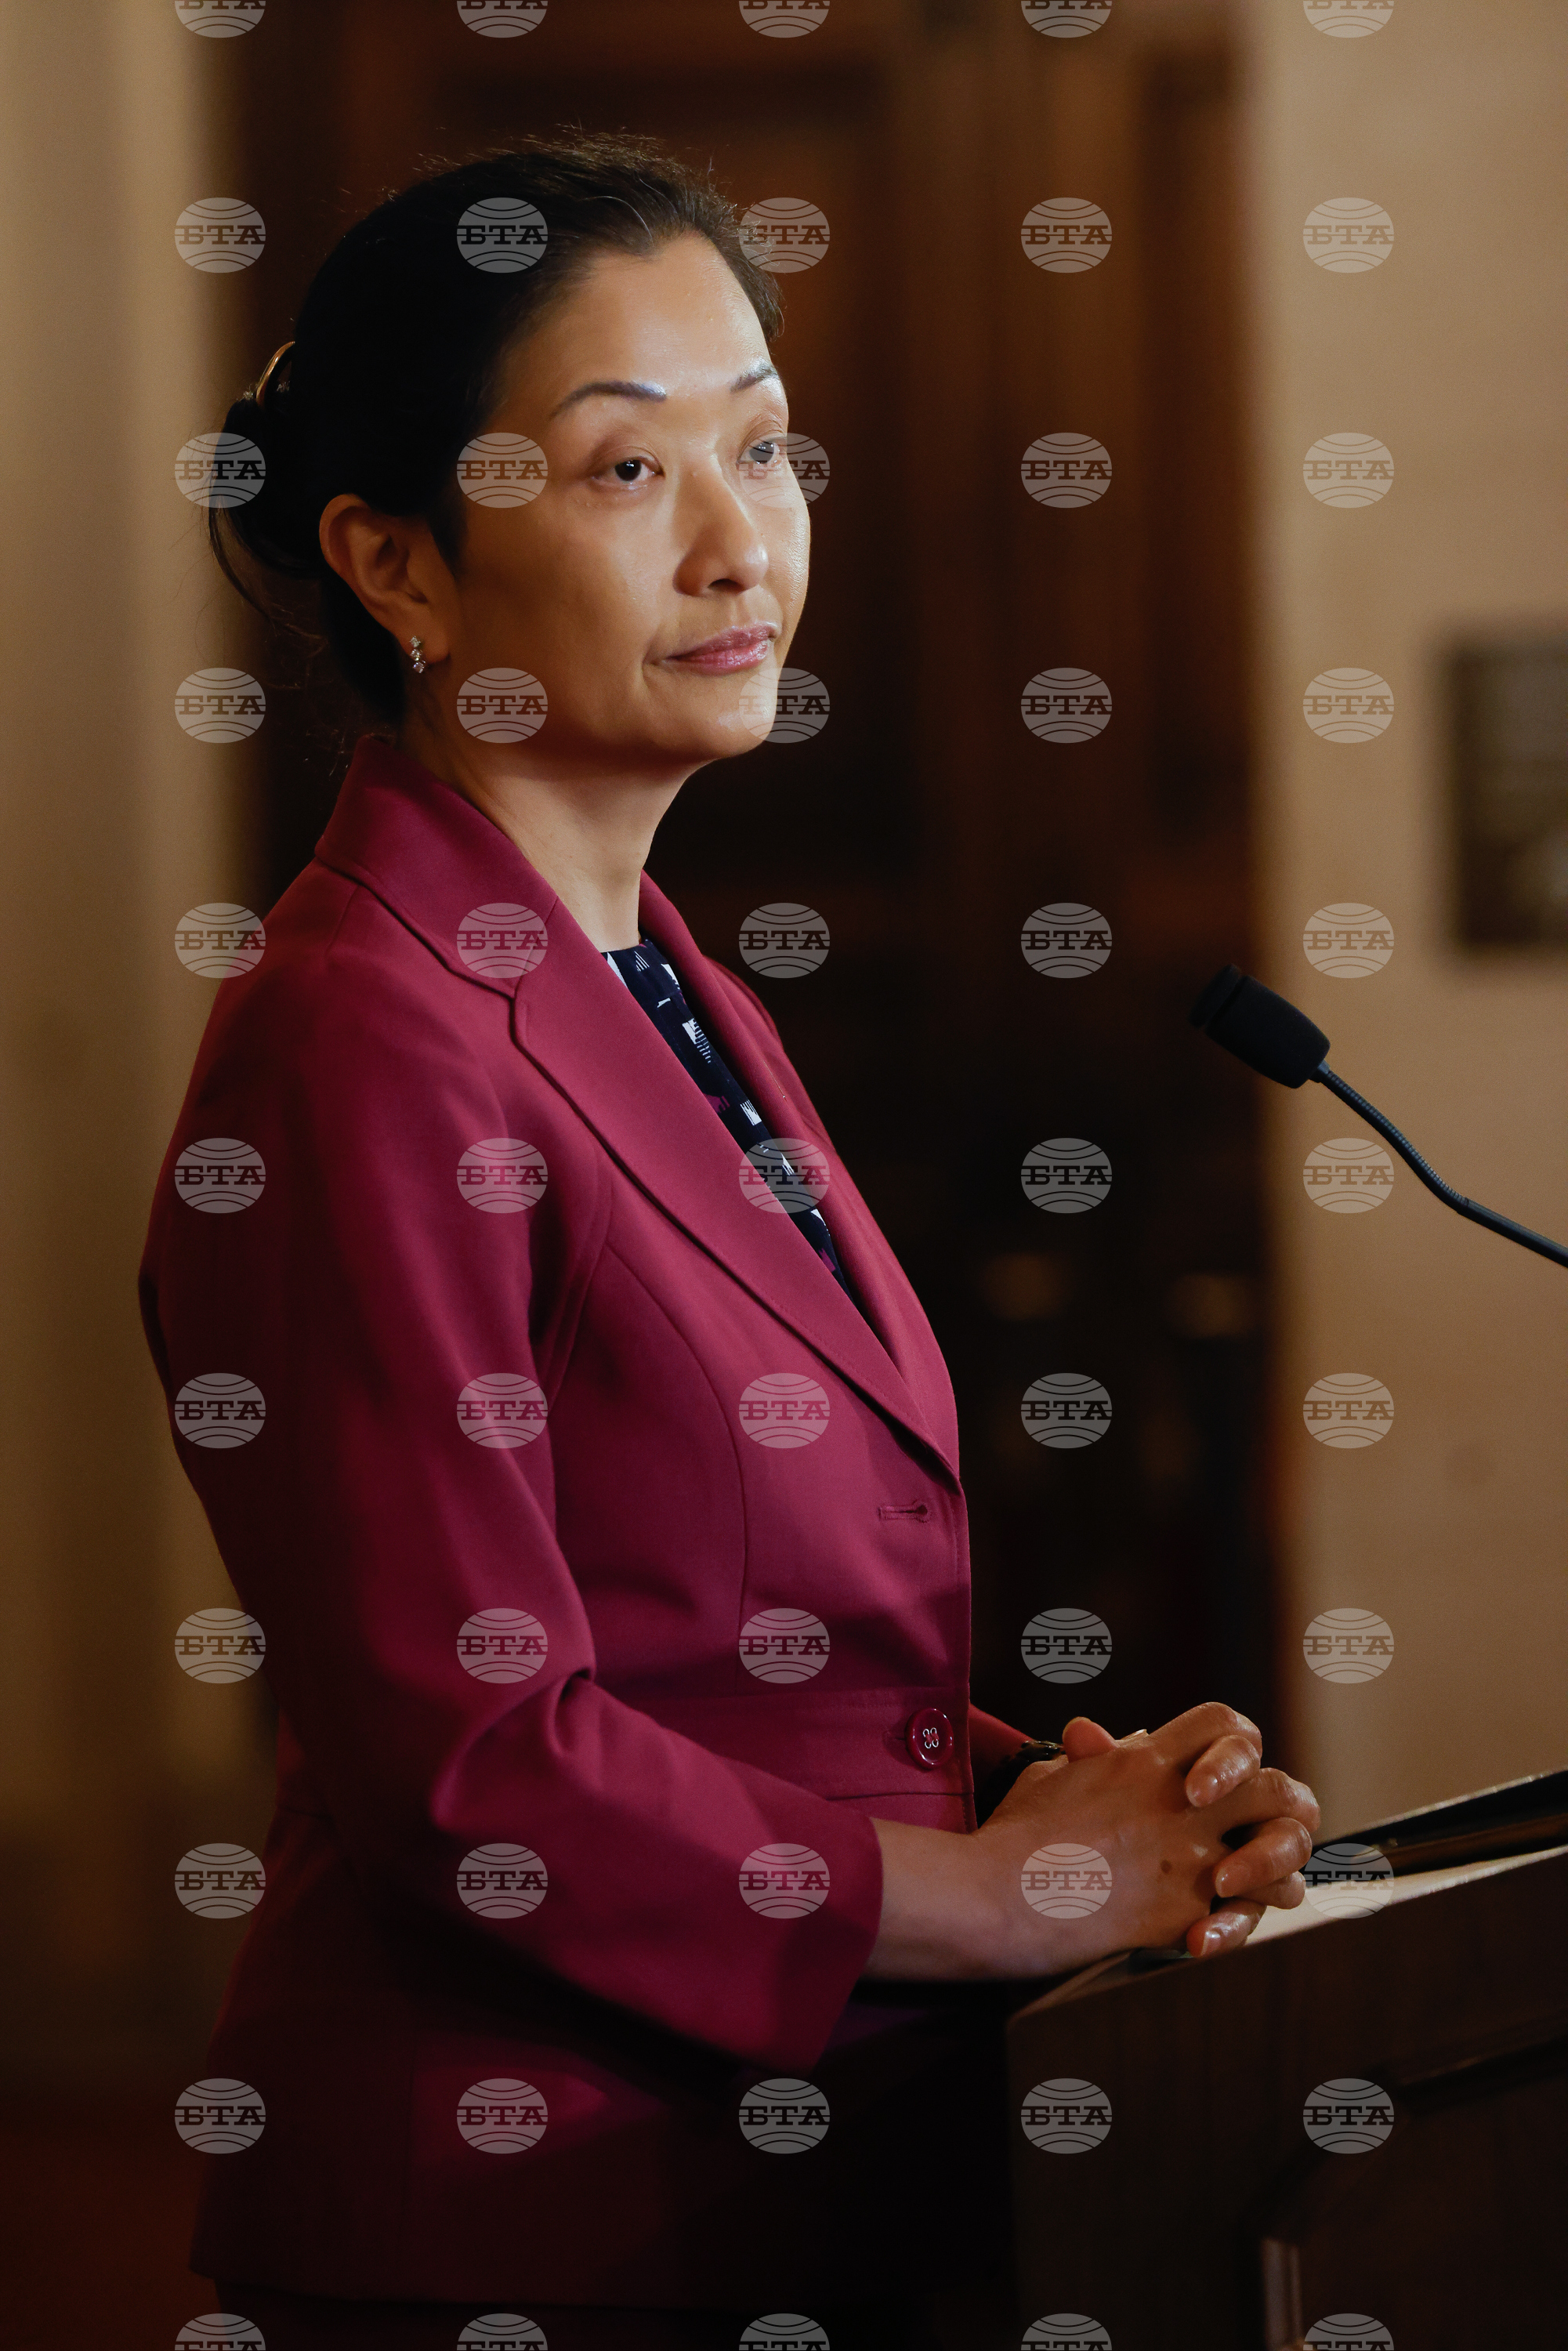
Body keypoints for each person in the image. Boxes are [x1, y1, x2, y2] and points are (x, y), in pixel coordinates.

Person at [139, 136, 1319, 2351]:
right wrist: (980, 1897)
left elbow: (712, 1623)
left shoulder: (655, 973)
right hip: (534, 2219)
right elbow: (466, 1760)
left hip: (785, 2168)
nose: (735, 537)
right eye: (620, 471)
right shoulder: (358, 1038)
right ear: (397, 560)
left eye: (767, 447)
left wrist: (1065, 1803)